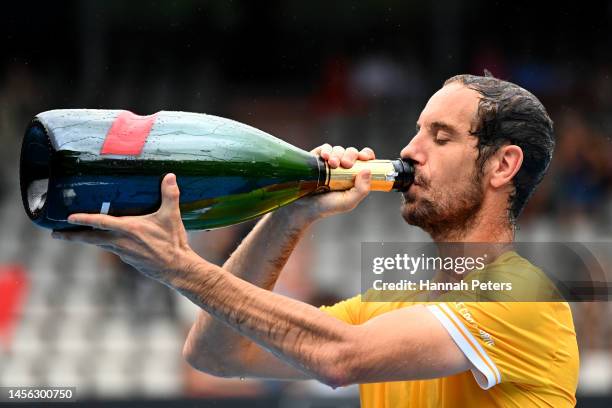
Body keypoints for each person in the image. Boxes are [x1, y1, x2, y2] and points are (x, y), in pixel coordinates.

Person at [53, 73, 579, 407]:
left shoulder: (520, 294)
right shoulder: (393, 301)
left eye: (440, 138)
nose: (409, 150)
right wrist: (289, 215)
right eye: (417, 132)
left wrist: (180, 267)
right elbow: (215, 352)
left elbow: (338, 358)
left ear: (503, 165)